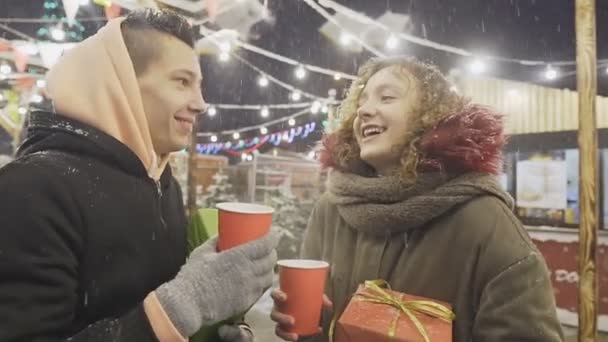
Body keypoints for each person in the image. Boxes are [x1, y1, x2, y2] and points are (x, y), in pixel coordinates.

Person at [0, 9, 278, 342]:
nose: (201, 104)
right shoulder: (32, 188)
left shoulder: (163, 184)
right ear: (122, 84)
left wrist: (208, 328)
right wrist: (182, 305)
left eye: (199, 86)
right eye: (182, 81)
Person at [271, 56, 565, 341]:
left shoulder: (484, 219)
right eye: (361, 102)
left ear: (430, 118)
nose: (364, 110)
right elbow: (314, 320)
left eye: (386, 98)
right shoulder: (331, 209)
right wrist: (304, 329)